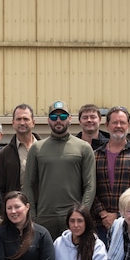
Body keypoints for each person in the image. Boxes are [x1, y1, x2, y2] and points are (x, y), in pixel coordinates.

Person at [23, 101, 96, 239]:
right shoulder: (37, 148)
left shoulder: (83, 147)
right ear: (48, 120)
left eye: (63, 116)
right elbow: (28, 185)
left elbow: (90, 185)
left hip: (72, 218)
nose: (58, 120)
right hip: (44, 217)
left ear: (69, 119)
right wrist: (32, 215)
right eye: (54, 117)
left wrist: (81, 214)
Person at [91, 105, 130, 242]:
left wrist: (119, 215)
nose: (118, 126)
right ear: (107, 125)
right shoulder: (95, 156)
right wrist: (103, 214)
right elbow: (90, 188)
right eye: (115, 122)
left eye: (122, 122)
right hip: (101, 225)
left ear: (128, 125)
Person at [0, 104, 39, 195]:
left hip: (43, 207)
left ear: (33, 123)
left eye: (26, 119)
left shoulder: (44, 149)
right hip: (16, 207)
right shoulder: (4, 154)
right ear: (13, 123)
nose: (22, 123)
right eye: (18, 119)